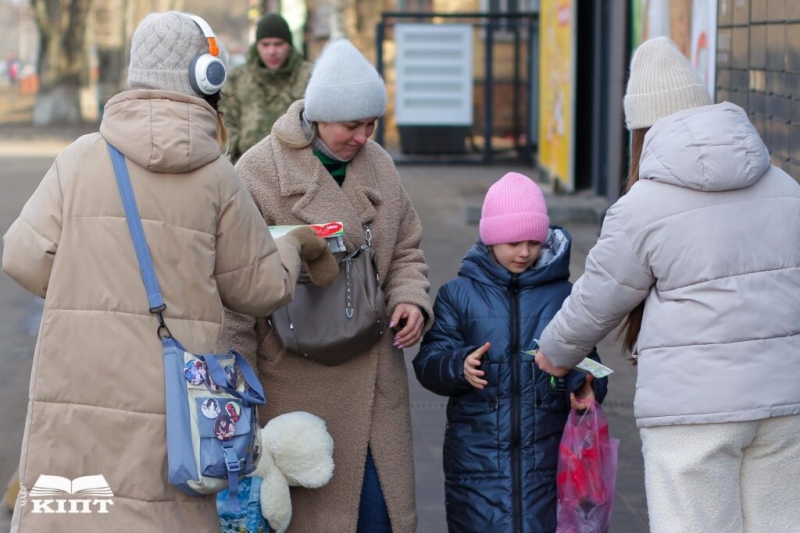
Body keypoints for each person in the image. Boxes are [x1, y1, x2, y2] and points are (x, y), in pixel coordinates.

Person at [2, 11, 334, 532]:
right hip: (177, 402)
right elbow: (261, 288)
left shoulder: (79, 159)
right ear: (208, 76)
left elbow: (20, 257)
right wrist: (294, 246)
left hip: (78, 388)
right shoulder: (218, 178)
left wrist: (86, 291)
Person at [534, 36, 800, 533]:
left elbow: (597, 298)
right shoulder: (786, 188)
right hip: (787, 402)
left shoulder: (643, 206)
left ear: (642, 128)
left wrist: (555, 351)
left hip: (693, 410)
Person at [225, 39, 432, 533]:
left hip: (374, 374)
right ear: (318, 118)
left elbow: (406, 248)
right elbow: (233, 297)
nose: (363, 137)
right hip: (291, 387)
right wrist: (242, 400)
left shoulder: (379, 164)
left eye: (371, 124)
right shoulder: (256, 173)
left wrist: (410, 299)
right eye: (351, 126)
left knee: (378, 516)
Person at [413, 172, 608, 533]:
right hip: (476, 466)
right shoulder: (457, 295)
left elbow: (591, 362)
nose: (524, 252)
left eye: (534, 242)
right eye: (513, 242)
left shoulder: (565, 297)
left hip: (548, 463)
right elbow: (427, 362)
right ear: (490, 239)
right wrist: (458, 365)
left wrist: (582, 383)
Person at [221, 13, 313, 163]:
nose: (272, 51)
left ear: (288, 45)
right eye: (265, 44)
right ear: (257, 45)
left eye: (278, 44)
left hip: (297, 165)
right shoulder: (237, 78)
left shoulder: (309, 77)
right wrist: (241, 145)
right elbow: (224, 124)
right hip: (247, 165)